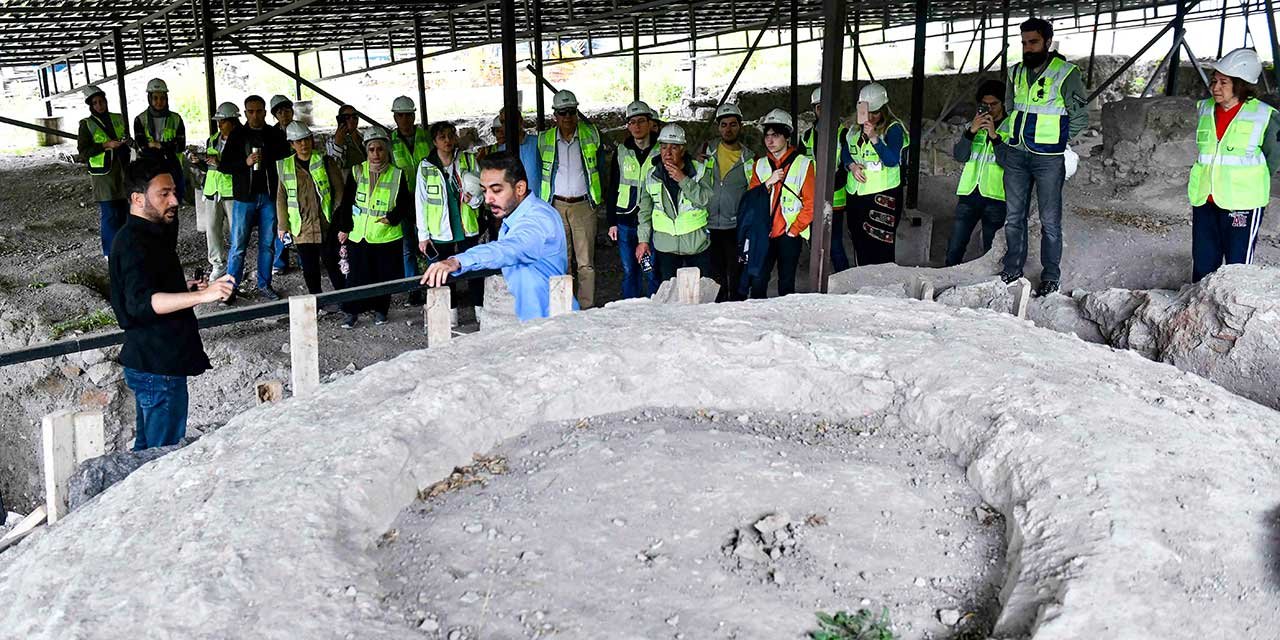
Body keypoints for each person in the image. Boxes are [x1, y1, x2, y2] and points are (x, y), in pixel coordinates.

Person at [108, 159, 234, 451]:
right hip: (158, 366)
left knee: (147, 451)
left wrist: (184, 288)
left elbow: (149, 288)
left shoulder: (150, 234)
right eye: (164, 194)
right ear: (138, 199)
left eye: (174, 192)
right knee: (160, 456)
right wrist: (202, 296)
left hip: (155, 362)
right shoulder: (133, 243)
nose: (175, 200)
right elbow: (143, 303)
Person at [995, 17, 1089, 296]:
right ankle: (1012, 269)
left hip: (1048, 158)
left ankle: (1051, 275)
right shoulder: (1015, 73)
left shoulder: (1066, 73)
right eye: (1024, 42)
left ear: (1048, 42)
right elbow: (1012, 110)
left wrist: (1057, 139)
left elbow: (1080, 117)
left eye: (1033, 42)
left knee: (1050, 221)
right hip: (1016, 154)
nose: (1027, 47)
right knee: (1014, 217)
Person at [420, 152, 569, 321]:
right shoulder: (520, 213)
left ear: (519, 188)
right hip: (537, 321)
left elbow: (509, 248)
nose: (488, 199)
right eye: (484, 191)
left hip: (551, 325)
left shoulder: (538, 219)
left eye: (496, 190)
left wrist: (457, 261)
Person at [1188, 48, 1280, 282]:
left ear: (1241, 85)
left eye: (1223, 82)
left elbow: (1271, 159)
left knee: (1238, 268)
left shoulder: (1265, 116)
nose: (1215, 87)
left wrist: (1243, 182)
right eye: (1214, 81)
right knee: (1203, 264)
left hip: (1242, 203)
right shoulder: (1205, 108)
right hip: (1205, 198)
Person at [332, 126, 412, 328]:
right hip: (360, 234)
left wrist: (392, 218)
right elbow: (347, 201)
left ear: (387, 150)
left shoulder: (397, 174)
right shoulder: (357, 171)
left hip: (386, 236)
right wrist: (344, 227)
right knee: (356, 277)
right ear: (366, 150)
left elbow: (404, 203)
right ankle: (351, 313)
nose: (376, 154)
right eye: (372, 149)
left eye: (380, 149)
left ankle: (380, 311)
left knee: (383, 277)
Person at [538, 89, 606, 309]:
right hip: (556, 205)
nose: (567, 117)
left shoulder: (591, 134)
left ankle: (585, 308)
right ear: (554, 116)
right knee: (561, 259)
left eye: (571, 112)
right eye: (562, 112)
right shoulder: (544, 139)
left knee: (585, 262)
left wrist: (598, 200)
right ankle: (565, 306)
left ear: (577, 112)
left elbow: (602, 169)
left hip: (583, 205)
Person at [220, 94, 290, 302]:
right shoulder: (237, 135)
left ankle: (264, 285)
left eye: (259, 111)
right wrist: (246, 162)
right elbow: (224, 166)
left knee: (267, 244)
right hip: (244, 197)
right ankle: (231, 288)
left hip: (269, 196)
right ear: (245, 113)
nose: (255, 115)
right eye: (251, 111)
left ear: (265, 112)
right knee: (238, 245)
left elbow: (285, 159)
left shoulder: (274, 134)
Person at [748, 109, 815, 298]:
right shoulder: (759, 165)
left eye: (775, 135)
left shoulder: (803, 164)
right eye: (767, 136)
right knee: (758, 280)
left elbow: (810, 203)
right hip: (764, 232)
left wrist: (794, 229)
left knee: (786, 282)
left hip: (789, 233)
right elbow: (751, 200)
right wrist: (768, 182)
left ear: (787, 136)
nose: (770, 140)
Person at [636, 124, 714, 285]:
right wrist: (643, 241)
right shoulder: (652, 175)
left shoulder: (700, 170)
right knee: (669, 297)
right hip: (666, 248)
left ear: (683, 150)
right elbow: (644, 211)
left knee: (701, 296)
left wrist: (683, 180)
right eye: (664, 147)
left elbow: (705, 199)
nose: (668, 153)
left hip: (696, 246)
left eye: (674, 148)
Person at [416, 121, 482, 306]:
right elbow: (420, 202)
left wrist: (474, 201)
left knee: (472, 268)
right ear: (434, 142)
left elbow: (481, 190)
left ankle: (478, 307)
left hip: (465, 226)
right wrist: (423, 235)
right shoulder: (426, 166)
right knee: (443, 272)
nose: (448, 140)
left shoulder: (468, 159)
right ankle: (449, 312)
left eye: (451, 136)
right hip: (440, 230)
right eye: (442, 137)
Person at [276, 122, 346, 297]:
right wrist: (282, 225)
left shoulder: (324, 161)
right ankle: (317, 302)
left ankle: (346, 301)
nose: (303, 144)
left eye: (306, 140)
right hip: (302, 228)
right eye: (298, 141)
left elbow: (339, 191)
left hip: (326, 224)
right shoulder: (285, 166)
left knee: (334, 264)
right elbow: (281, 197)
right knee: (310, 269)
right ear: (292, 144)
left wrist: (338, 218)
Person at [843, 82, 909, 267]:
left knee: (881, 245)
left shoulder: (893, 129)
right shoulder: (854, 128)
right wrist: (851, 166)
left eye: (875, 112)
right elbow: (846, 151)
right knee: (858, 240)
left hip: (883, 196)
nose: (870, 117)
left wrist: (874, 138)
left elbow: (891, 160)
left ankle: (883, 287)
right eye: (866, 111)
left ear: (884, 110)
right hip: (856, 194)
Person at [946, 80, 1008, 266]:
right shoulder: (972, 126)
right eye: (984, 105)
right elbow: (960, 156)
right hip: (969, 193)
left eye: (994, 104)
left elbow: (1008, 162)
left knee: (990, 248)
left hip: (996, 196)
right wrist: (971, 132)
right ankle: (948, 277)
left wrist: (994, 137)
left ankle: (989, 284)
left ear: (1003, 103)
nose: (989, 109)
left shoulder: (1011, 127)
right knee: (955, 245)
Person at [606, 100, 660, 299]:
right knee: (630, 271)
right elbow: (612, 187)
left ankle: (656, 310)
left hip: (653, 219)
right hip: (625, 220)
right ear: (628, 126)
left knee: (651, 270)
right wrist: (611, 222)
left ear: (649, 123)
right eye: (632, 122)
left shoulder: (661, 149)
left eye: (641, 121)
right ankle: (631, 310)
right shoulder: (621, 151)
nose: (636, 126)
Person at [701, 103, 755, 302]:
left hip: (734, 224)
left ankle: (736, 304)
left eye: (733, 124)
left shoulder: (748, 158)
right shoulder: (707, 151)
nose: (728, 129)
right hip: (710, 222)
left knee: (736, 268)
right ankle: (719, 306)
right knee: (715, 271)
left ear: (740, 126)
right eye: (724, 124)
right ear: (718, 127)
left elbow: (752, 192)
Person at [76, 84, 132, 258]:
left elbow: (125, 137)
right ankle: (109, 252)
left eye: (102, 101)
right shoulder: (87, 124)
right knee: (109, 213)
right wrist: (106, 145)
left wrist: (125, 142)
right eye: (96, 103)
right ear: (91, 106)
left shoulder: (117, 118)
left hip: (122, 168)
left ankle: (124, 248)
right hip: (103, 174)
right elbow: (83, 151)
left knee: (124, 211)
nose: (100, 105)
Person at [800, 88, 851, 272]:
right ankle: (819, 278)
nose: (824, 111)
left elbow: (847, 167)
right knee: (814, 241)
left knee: (834, 242)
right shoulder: (807, 136)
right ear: (815, 109)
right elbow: (801, 166)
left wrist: (828, 187)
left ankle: (843, 277)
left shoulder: (845, 135)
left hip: (835, 198)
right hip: (813, 198)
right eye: (820, 107)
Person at [188, 101, 240, 281]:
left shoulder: (241, 141)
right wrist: (198, 162)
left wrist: (221, 164)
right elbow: (210, 168)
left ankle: (235, 266)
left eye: (223, 121)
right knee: (212, 229)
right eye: (218, 120)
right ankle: (217, 265)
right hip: (212, 191)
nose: (219, 124)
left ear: (233, 121)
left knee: (236, 231)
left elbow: (241, 167)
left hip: (232, 191)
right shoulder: (212, 139)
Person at [390, 96, 432, 302]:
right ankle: (413, 289)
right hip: (405, 201)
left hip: (428, 199)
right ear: (395, 117)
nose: (405, 119)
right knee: (408, 248)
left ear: (414, 115)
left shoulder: (427, 137)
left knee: (430, 243)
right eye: (400, 115)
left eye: (408, 115)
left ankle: (435, 283)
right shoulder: (390, 142)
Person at [132, 78, 186, 203]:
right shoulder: (140, 119)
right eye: (155, 98)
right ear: (149, 98)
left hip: (172, 168)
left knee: (171, 206)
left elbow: (180, 146)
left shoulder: (176, 119)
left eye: (162, 98)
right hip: (149, 170)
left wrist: (158, 145)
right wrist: (167, 146)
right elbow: (141, 147)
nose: (159, 102)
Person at [483, 109, 542, 199]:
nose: (507, 124)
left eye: (511, 119)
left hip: (539, 203)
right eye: (503, 122)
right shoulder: (501, 151)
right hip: (513, 206)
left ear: (520, 121)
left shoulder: (538, 143)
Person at [326, 104, 366, 170]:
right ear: (340, 119)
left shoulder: (364, 136)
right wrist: (338, 144)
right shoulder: (332, 141)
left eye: (354, 116)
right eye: (347, 117)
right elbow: (335, 168)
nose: (352, 119)